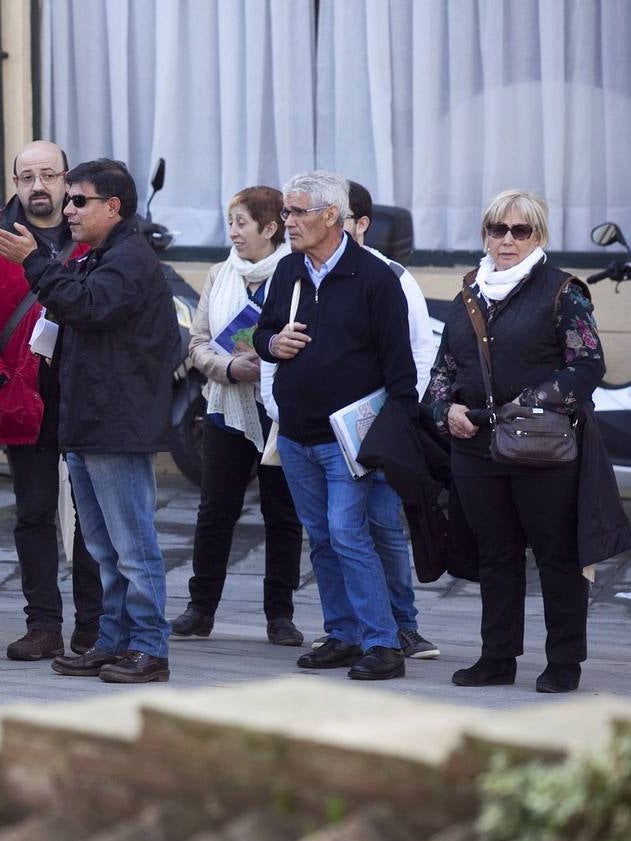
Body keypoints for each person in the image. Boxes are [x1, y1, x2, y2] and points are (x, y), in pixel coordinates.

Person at [0, 158, 179, 684]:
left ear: (112, 207)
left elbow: (86, 306)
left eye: (79, 200)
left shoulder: (130, 260)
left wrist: (34, 262)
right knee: (103, 548)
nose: (68, 209)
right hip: (88, 422)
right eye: (68, 199)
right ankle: (112, 640)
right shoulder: (98, 256)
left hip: (115, 425)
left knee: (132, 546)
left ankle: (149, 647)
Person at [428, 190, 609, 693]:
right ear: (485, 233)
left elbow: (588, 366)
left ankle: (564, 663)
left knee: (557, 556)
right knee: (496, 554)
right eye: (496, 229)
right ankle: (497, 657)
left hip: (542, 447)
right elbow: (444, 368)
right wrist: (447, 410)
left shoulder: (562, 291)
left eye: (520, 230)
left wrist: (528, 405)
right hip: (476, 448)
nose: (506, 240)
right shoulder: (470, 291)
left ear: (538, 235)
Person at [253, 170, 417, 681]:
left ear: (332, 217)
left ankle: (384, 643)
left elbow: (401, 371)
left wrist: (392, 435)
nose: (288, 222)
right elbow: (260, 333)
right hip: (296, 433)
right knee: (321, 536)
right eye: (286, 212)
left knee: (349, 533)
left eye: (298, 212)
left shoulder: (375, 278)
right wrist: (271, 346)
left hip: (350, 438)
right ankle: (343, 634)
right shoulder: (287, 272)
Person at [0, 139, 103, 662]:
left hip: (87, 392)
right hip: (20, 394)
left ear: (67, 179)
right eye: (27, 177)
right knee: (35, 513)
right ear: (14, 182)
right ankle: (43, 623)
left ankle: (93, 624)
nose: (38, 186)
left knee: (94, 514)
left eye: (48, 175)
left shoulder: (96, 236)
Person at [308, 180, 437, 661]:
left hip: (377, 429)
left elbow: (420, 352)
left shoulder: (393, 277)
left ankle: (401, 626)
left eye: (337, 217)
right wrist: (279, 405)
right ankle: (348, 629)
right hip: (317, 433)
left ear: (359, 224)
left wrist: (396, 417)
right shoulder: (303, 272)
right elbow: (278, 343)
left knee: (381, 525)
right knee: (330, 532)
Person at [170, 186, 304, 647]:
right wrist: (228, 367)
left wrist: (266, 363)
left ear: (270, 228)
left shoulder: (296, 274)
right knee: (214, 511)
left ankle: (279, 615)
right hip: (225, 406)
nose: (233, 232)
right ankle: (200, 608)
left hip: (279, 411)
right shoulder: (218, 274)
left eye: (242, 223)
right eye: (230, 222)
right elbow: (198, 342)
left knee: (282, 513)